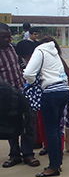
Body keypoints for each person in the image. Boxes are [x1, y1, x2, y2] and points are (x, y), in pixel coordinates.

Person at [24, 35, 69, 177]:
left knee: (50, 130)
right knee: (57, 129)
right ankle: (58, 162)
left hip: (50, 93)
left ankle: (53, 166)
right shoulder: (54, 52)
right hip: (63, 91)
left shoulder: (39, 51)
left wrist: (33, 82)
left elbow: (28, 73)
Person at [0, 23, 39, 169]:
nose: (7, 40)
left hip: (23, 91)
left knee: (29, 122)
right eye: (3, 37)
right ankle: (14, 155)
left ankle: (28, 154)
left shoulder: (13, 49)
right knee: (11, 125)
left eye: (8, 37)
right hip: (7, 97)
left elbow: (22, 65)